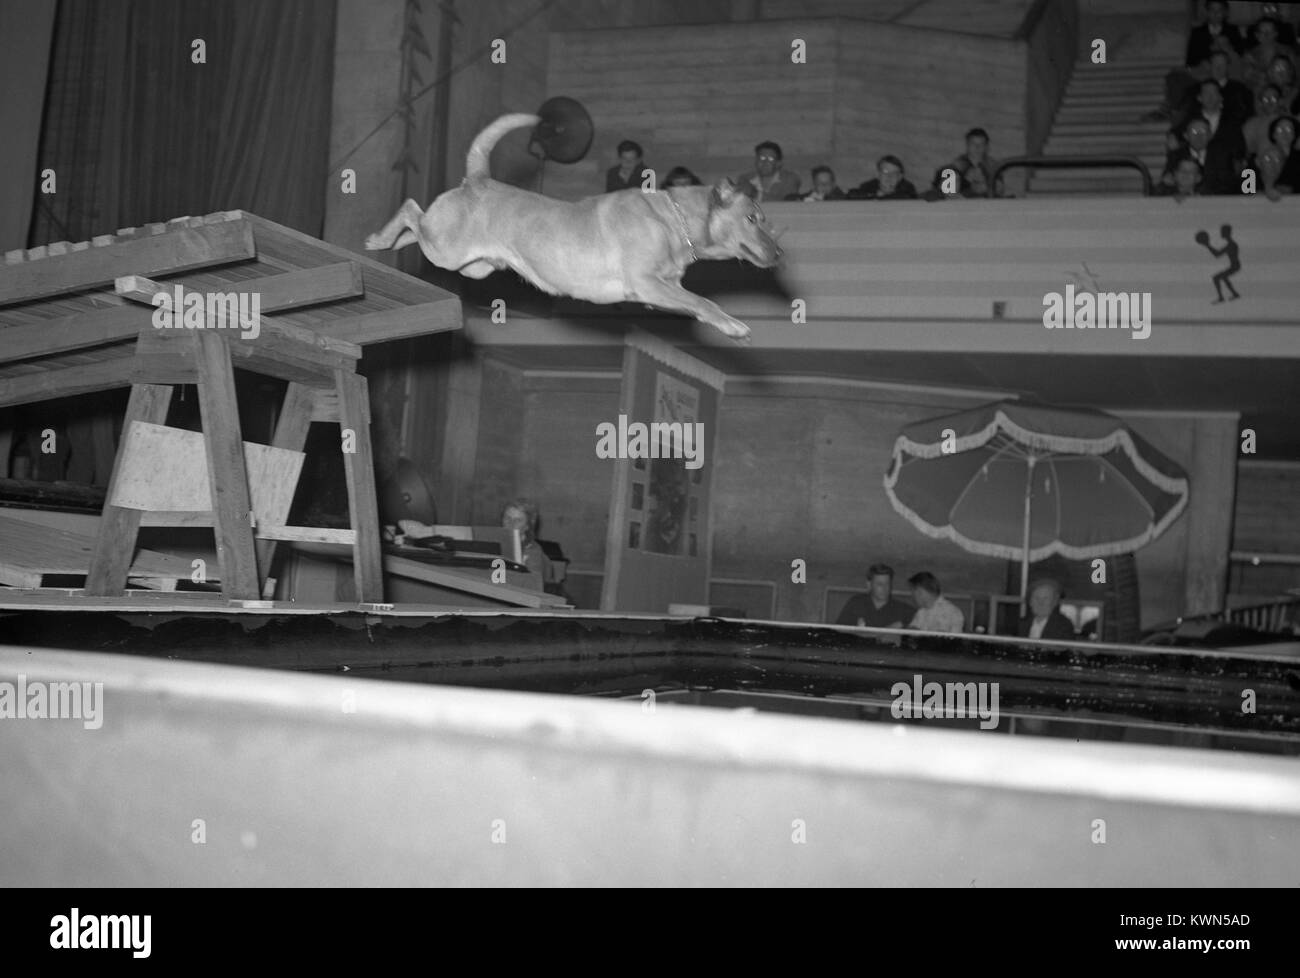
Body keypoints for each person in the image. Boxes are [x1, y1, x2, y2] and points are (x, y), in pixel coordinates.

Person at [500, 498, 567, 597]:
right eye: (507, 518)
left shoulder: (533, 552)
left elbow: (531, 590)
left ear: (527, 526)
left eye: (518, 520)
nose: (511, 524)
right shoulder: (493, 544)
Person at [835, 563, 913, 628]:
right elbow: (838, 631)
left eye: (887, 584)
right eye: (880, 584)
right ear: (869, 585)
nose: (884, 588)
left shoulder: (902, 609)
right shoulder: (856, 603)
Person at [930, 128, 1002, 198]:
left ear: (986, 147)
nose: (977, 147)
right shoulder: (956, 165)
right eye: (973, 143)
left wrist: (985, 185)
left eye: (981, 144)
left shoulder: (993, 167)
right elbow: (947, 192)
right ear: (967, 145)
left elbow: (999, 189)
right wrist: (965, 181)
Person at [735, 140, 801, 203]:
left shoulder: (790, 179)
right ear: (756, 161)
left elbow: (790, 204)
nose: (765, 163)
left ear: (778, 163)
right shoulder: (745, 179)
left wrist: (756, 194)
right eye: (761, 158)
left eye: (770, 159)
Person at [848, 154, 918, 200]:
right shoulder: (866, 189)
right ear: (878, 174)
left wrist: (884, 195)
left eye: (894, 173)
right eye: (885, 172)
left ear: (900, 177)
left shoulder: (908, 192)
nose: (889, 176)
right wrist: (875, 195)